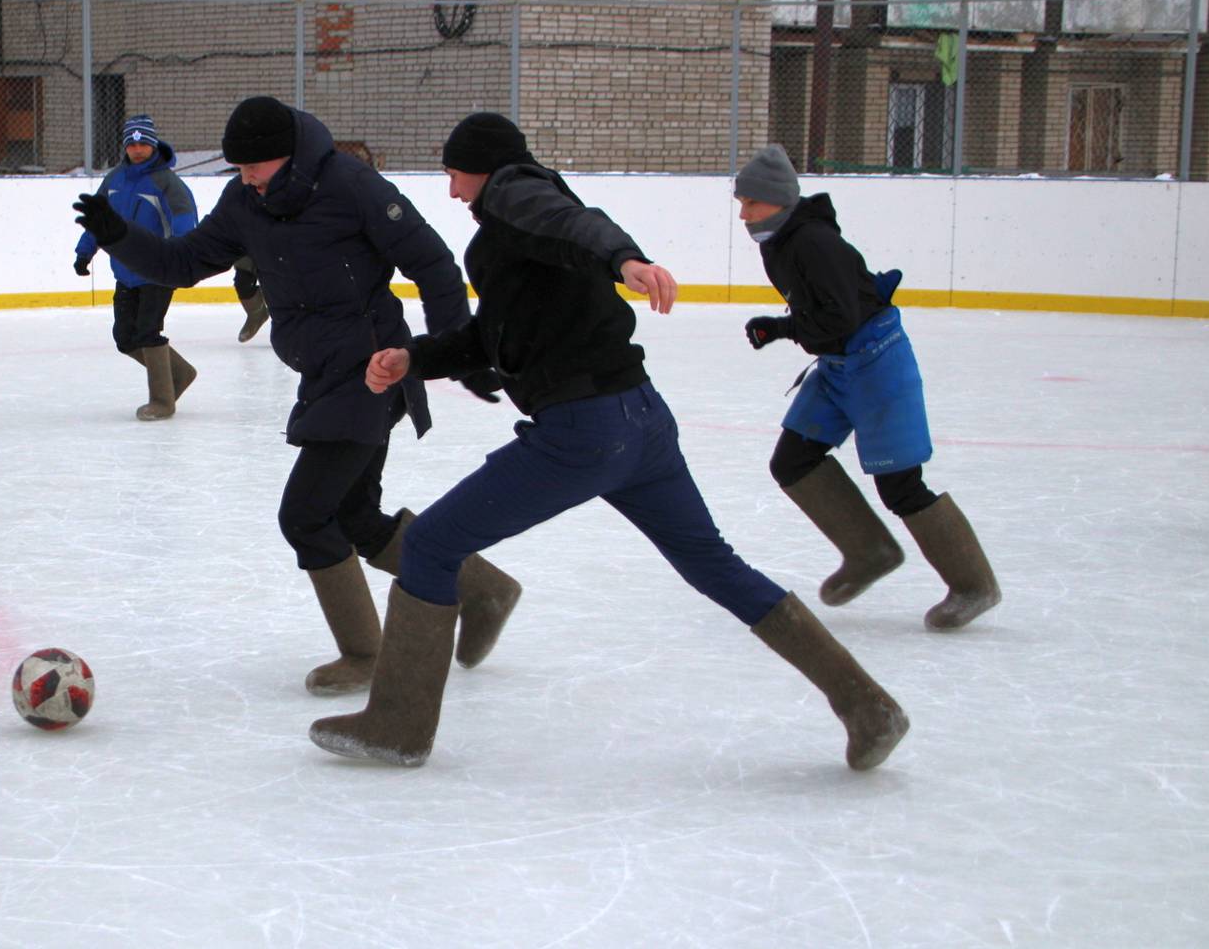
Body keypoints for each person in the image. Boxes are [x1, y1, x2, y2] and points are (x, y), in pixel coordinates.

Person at [309, 113, 909, 771]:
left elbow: (579, 226)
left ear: (480, 166)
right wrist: (412, 358)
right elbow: (495, 336)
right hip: (641, 421)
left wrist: (624, 258)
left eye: (453, 174)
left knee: (428, 545)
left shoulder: (514, 194)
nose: (451, 191)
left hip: (582, 432)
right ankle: (866, 705)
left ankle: (397, 727)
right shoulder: (525, 232)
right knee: (714, 565)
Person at [73, 96, 520, 695]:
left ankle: (366, 653)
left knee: (306, 516)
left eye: (253, 166)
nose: (244, 178)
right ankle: (483, 591)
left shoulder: (351, 185)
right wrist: (118, 235)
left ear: (286, 156)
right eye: (237, 168)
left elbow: (434, 264)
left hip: (373, 369)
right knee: (354, 516)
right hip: (321, 372)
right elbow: (183, 263)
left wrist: (453, 349)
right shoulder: (245, 200)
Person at [733, 144, 1000, 630]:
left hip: (877, 362)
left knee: (900, 486)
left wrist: (785, 329)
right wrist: (782, 326)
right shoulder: (780, 241)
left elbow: (840, 317)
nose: (743, 213)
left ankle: (973, 585)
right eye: (741, 203)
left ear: (779, 201)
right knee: (792, 462)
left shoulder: (812, 241)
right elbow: (826, 314)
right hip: (839, 363)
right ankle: (869, 552)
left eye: (751, 203)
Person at [75, 114, 199, 420]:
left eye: (144, 142)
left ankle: (162, 401)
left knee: (147, 332)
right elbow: (98, 219)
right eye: (132, 143)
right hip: (126, 271)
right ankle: (179, 374)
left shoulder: (167, 184)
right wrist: (84, 251)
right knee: (125, 338)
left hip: (159, 270)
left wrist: (181, 257)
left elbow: (185, 222)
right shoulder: (114, 180)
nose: (138, 149)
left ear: (154, 144)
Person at [232, 255, 269, 342]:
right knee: (243, 284)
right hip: (247, 249)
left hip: (281, 250)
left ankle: (285, 328)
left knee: (279, 287)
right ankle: (256, 314)